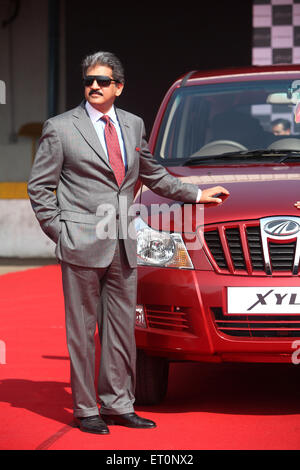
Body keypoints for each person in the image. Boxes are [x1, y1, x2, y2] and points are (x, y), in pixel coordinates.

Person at [27, 51, 229, 435]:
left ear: (119, 87)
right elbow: (39, 188)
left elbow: (154, 175)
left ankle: (119, 404)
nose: (94, 87)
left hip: (124, 243)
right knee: (84, 332)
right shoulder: (61, 128)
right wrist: (61, 231)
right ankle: (87, 409)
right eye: (89, 80)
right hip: (81, 244)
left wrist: (196, 194)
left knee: (121, 329)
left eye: (103, 81)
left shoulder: (134, 126)